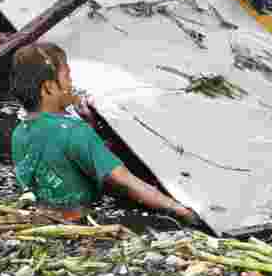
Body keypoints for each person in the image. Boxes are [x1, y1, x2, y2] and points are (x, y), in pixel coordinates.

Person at [10, 42, 200, 223]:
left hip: (44, 216)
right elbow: (123, 181)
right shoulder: (75, 132)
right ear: (49, 87)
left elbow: (59, 161)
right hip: (81, 222)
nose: (71, 83)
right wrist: (180, 210)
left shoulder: (19, 132)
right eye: (67, 76)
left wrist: (90, 125)